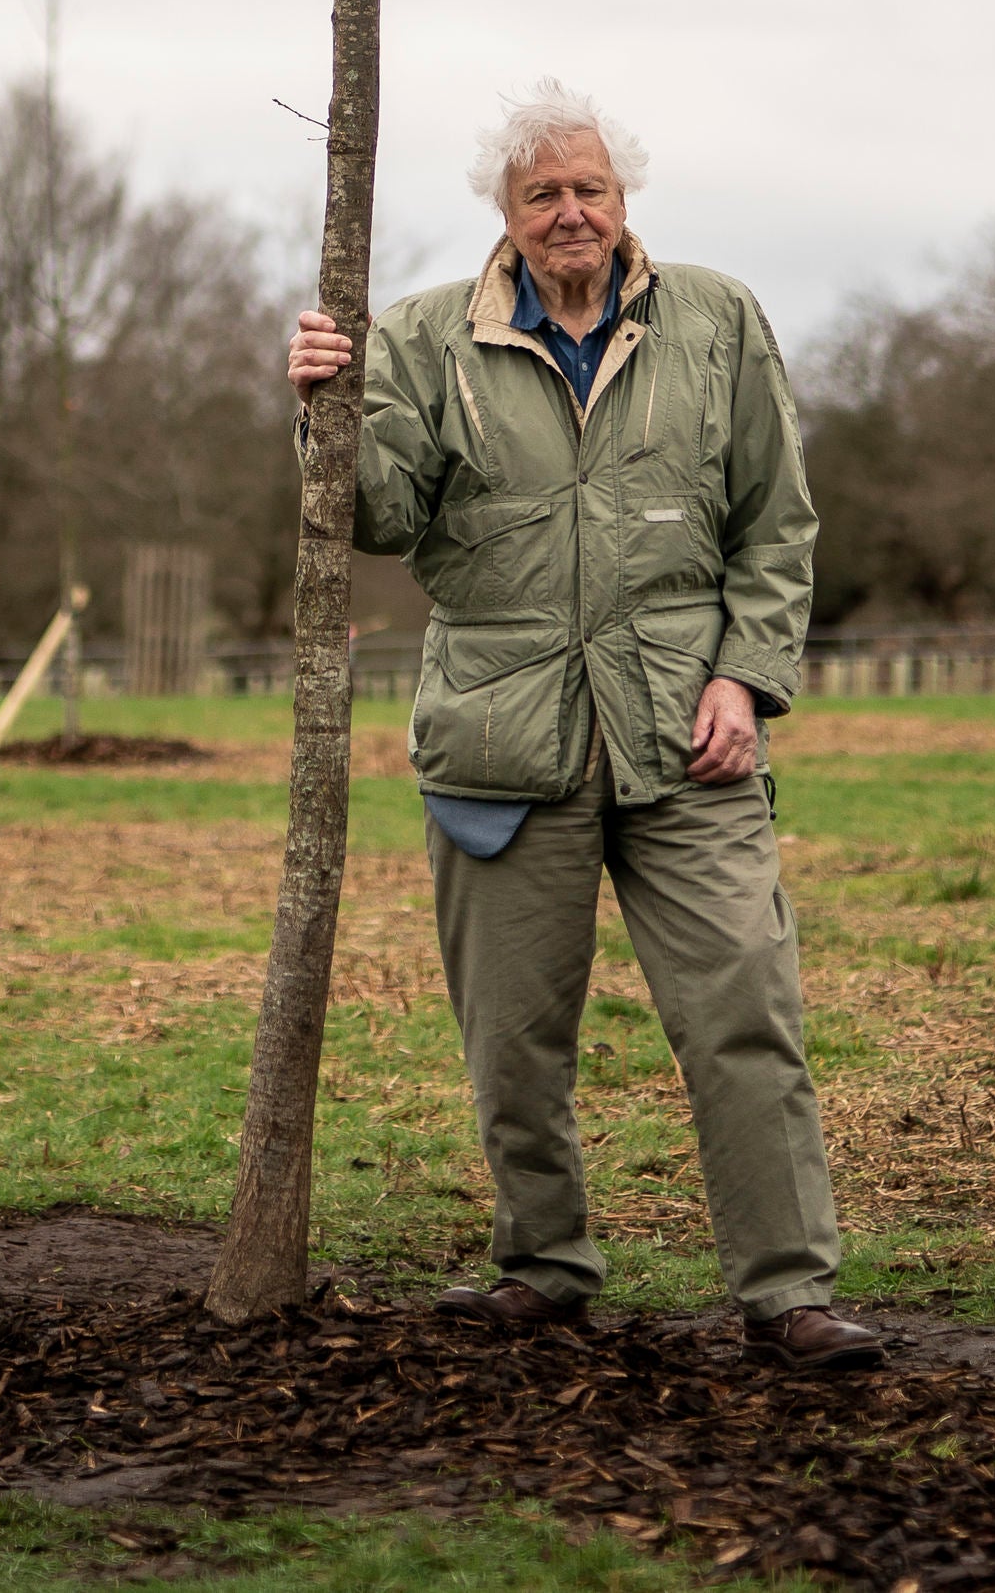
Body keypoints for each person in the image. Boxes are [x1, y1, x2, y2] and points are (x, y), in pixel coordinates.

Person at [290, 80, 880, 1369]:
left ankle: (792, 1294)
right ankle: (544, 1265)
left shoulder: (716, 321)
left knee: (743, 1007)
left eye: (592, 189)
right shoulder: (422, 337)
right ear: (505, 212)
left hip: (688, 733)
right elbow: (378, 519)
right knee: (513, 1033)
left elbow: (776, 524)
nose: (573, 212)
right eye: (544, 193)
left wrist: (746, 677)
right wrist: (323, 413)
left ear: (625, 201)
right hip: (502, 739)